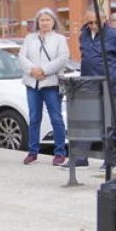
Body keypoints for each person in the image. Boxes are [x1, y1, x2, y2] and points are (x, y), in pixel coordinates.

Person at [71, 10, 116, 169]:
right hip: (89, 84)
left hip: (110, 86)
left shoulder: (114, 36)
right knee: (86, 122)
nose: (93, 25)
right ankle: (80, 158)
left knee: (109, 124)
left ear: (104, 19)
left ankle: (110, 160)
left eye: (96, 22)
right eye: (90, 22)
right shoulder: (83, 34)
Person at [17, 8, 69, 166]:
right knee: (34, 118)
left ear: (53, 22)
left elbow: (63, 58)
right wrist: (33, 70)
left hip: (51, 84)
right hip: (32, 83)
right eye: (42, 20)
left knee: (56, 118)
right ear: (37, 22)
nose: (45, 23)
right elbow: (21, 56)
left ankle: (60, 152)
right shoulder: (30, 38)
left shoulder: (59, 39)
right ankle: (33, 152)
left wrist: (44, 70)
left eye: (48, 19)